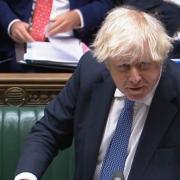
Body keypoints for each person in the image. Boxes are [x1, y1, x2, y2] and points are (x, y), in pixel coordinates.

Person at [14, 6, 180, 180]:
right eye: (123, 66)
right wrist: (27, 176)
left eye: (144, 64)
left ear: (160, 59)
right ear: (107, 63)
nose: (135, 78)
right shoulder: (90, 72)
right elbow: (49, 131)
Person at [0, 0, 113, 72]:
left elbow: (106, 4)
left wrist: (79, 16)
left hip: (73, 45)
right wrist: (12, 23)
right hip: (19, 43)